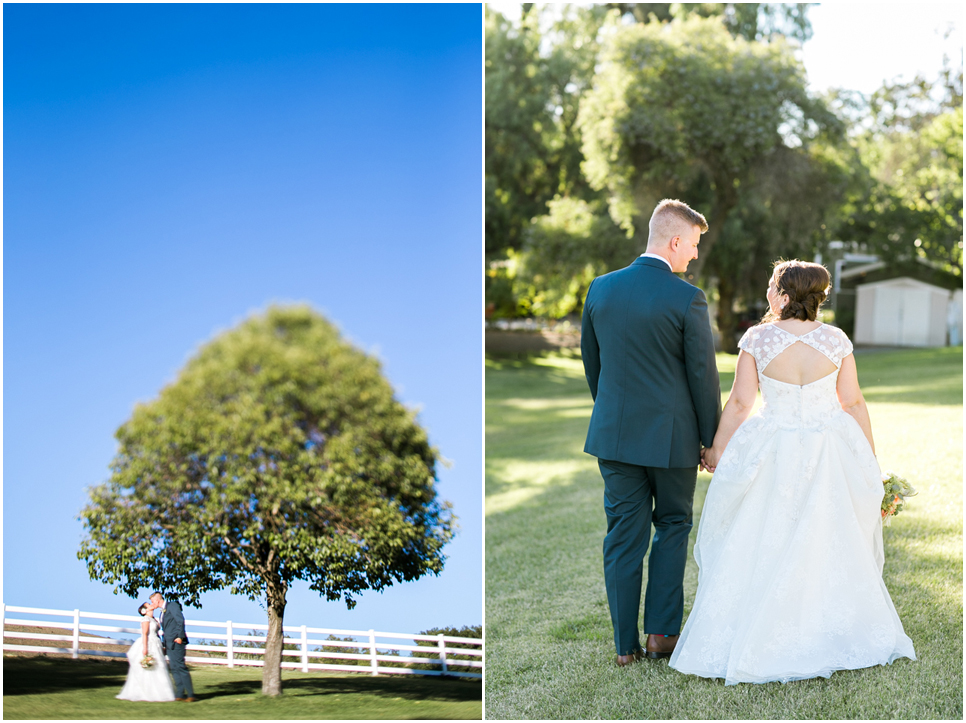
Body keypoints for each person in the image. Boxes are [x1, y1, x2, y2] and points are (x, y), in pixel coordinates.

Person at [670, 260, 916, 685]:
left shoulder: (758, 339)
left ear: (784, 295)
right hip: (829, 446)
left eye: (771, 285)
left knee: (766, 532)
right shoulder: (836, 340)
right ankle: (828, 629)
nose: (767, 291)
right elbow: (853, 403)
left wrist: (716, 449)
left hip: (774, 446)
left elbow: (741, 404)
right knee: (827, 535)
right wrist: (869, 463)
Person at [581, 198, 721, 666]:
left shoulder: (600, 289)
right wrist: (710, 439)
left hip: (615, 438)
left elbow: (593, 368)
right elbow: (703, 377)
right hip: (672, 441)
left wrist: (615, 414)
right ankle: (662, 635)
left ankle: (625, 648)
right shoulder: (687, 297)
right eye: (695, 245)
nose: (695, 256)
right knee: (673, 526)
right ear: (675, 240)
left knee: (623, 537)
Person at [116, 599, 176, 702]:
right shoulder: (145, 620)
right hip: (149, 642)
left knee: (158, 666)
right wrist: (145, 648)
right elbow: (144, 634)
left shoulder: (153, 619)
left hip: (156, 643)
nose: (151, 605)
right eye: (149, 605)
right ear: (144, 610)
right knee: (148, 666)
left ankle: (159, 691)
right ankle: (144, 691)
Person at [150, 591, 196, 701]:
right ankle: (180, 694)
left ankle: (190, 694)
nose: (152, 604)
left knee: (180, 667)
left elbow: (180, 620)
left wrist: (180, 636)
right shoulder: (162, 612)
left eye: (152, 602)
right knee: (174, 668)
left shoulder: (172, 606)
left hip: (177, 642)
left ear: (157, 600)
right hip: (169, 643)